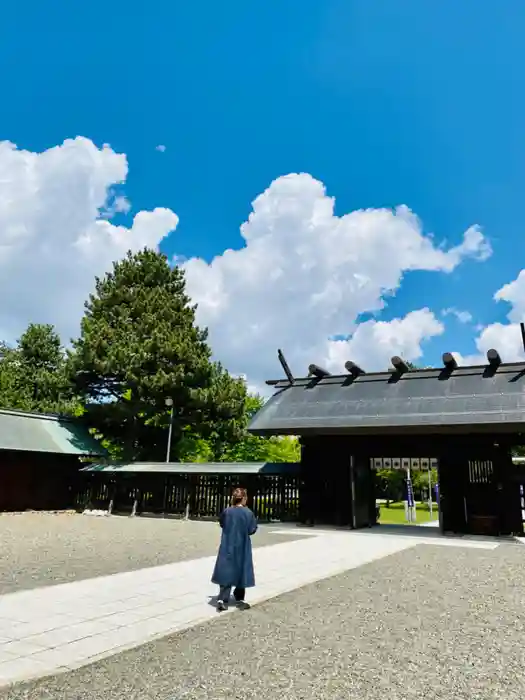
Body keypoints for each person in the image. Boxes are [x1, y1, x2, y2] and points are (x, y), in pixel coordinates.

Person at [211, 487, 258, 612]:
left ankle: (222, 598)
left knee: (226, 569)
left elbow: (222, 523)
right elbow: (252, 529)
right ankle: (239, 599)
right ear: (244, 498)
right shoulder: (248, 513)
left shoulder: (227, 511)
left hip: (228, 543)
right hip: (242, 545)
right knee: (242, 569)